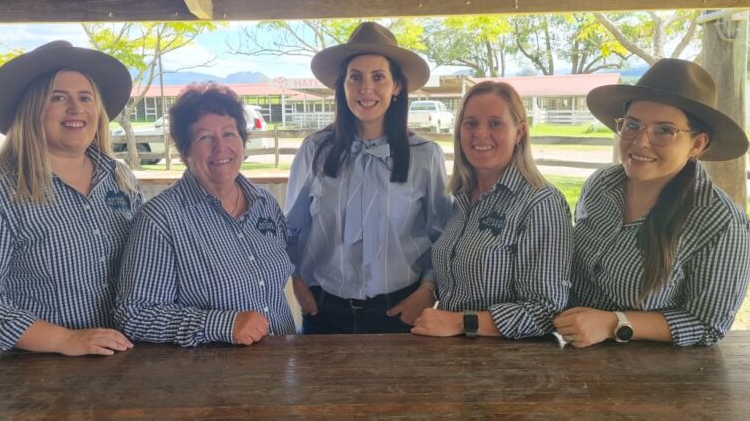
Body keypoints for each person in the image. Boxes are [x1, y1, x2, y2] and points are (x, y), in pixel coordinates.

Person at [0, 41, 141, 356]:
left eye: (85, 98)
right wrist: (63, 340)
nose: (76, 109)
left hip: (126, 356)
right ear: (32, 109)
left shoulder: (120, 179)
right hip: (40, 370)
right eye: (58, 98)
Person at [554, 58, 750, 347]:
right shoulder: (600, 185)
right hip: (565, 353)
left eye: (664, 130)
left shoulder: (720, 222)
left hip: (647, 373)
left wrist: (615, 323)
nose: (640, 141)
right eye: (632, 125)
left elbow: (708, 323)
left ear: (697, 144)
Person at [286, 21, 453, 334]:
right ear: (343, 86)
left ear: (397, 86)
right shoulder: (314, 150)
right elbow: (291, 228)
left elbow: (441, 234)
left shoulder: (425, 155)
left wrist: (427, 291)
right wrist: (296, 282)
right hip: (323, 310)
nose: (366, 89)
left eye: (378, 77)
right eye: (355, 78)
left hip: (399, 312)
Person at [115, 83, 295, 346]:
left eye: (229, 134)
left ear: (243, 142)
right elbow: (134, 315)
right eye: (205, 138)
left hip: (279, 364)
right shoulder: (160, 219)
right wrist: (222, 324)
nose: (220, 148)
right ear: (185, 151)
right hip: (211, 376)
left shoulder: (264, 203)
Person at [410, 81, 572, 339]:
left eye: (495, 123)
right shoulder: (462, 198)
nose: (480, 134)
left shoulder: (540, 203)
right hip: (452, 355)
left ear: (519, 132)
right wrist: (427, 289)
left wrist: (460, 323)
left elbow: (546, 311)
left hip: (507, 364)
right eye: (470, 123)